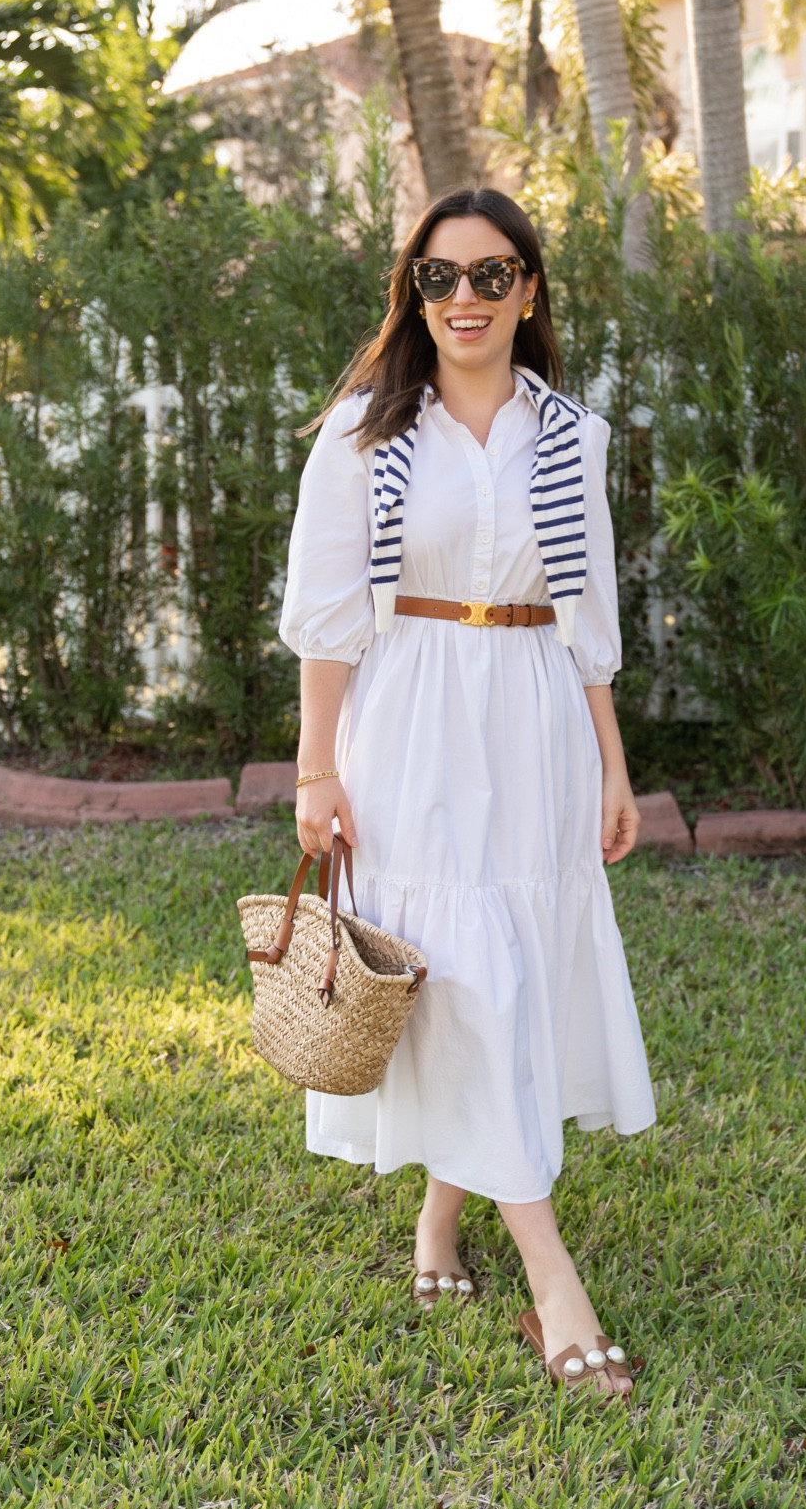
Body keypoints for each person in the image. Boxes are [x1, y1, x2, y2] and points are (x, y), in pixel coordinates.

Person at [277, 187, 656, 1399]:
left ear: (529, 290)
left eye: (491, 277)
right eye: (439, 279)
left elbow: (585, 613)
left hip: (534, 716)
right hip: (414, 720)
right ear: (413, 294)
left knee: (505, 974)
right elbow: (329, 621)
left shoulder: (571, 436)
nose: (465, 300)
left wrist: (609, 758)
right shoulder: (362, 434)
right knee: (463, 973)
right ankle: (551, 1273)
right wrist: (314, 766)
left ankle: (442, 1226)